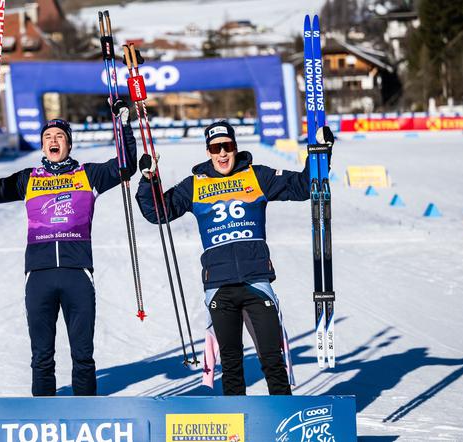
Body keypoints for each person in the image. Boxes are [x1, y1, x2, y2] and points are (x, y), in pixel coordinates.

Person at [136, 120, 334, 396]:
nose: (222, 154)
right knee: (231, 364)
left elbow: (303, 187)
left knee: (272, 359)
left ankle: (283, 423)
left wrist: (319, 153)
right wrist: (148, 180)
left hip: (256, 283)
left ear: (235, 147)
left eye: (227, 146)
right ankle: (237, 429)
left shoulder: (257, 176)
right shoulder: (194, 185)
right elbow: (157, 212)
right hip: (219, 286)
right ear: (208, 151)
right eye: (216, 148)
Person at [0, 102, 136, 396]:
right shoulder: (28, 178)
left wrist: (123, 125)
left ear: (69, 144)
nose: (53, 141)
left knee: (83, 356)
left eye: (59, 137)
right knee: (41, 357)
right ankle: (42, 416)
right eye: (48, 138)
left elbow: (126, 166)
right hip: (39, 275)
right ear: (43, 145)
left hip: (78, 274)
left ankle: (87, 415)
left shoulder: (89, 175)